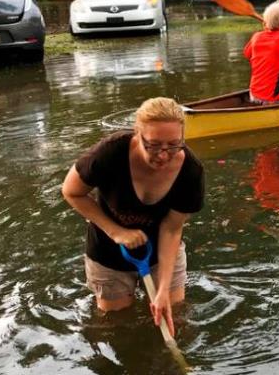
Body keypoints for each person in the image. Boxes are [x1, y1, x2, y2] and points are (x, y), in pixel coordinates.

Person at [61, 97, 203, 337]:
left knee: (174, 315)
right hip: (108, 250)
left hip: (162, 251)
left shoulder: (191, 171)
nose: (163, 155)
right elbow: (72, 192)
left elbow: (171, 229)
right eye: (154, 145)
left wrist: (162, 290)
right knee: (116, 325)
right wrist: (116, 231)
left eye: (173, 145)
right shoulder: (110, 153)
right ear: (138, 134)